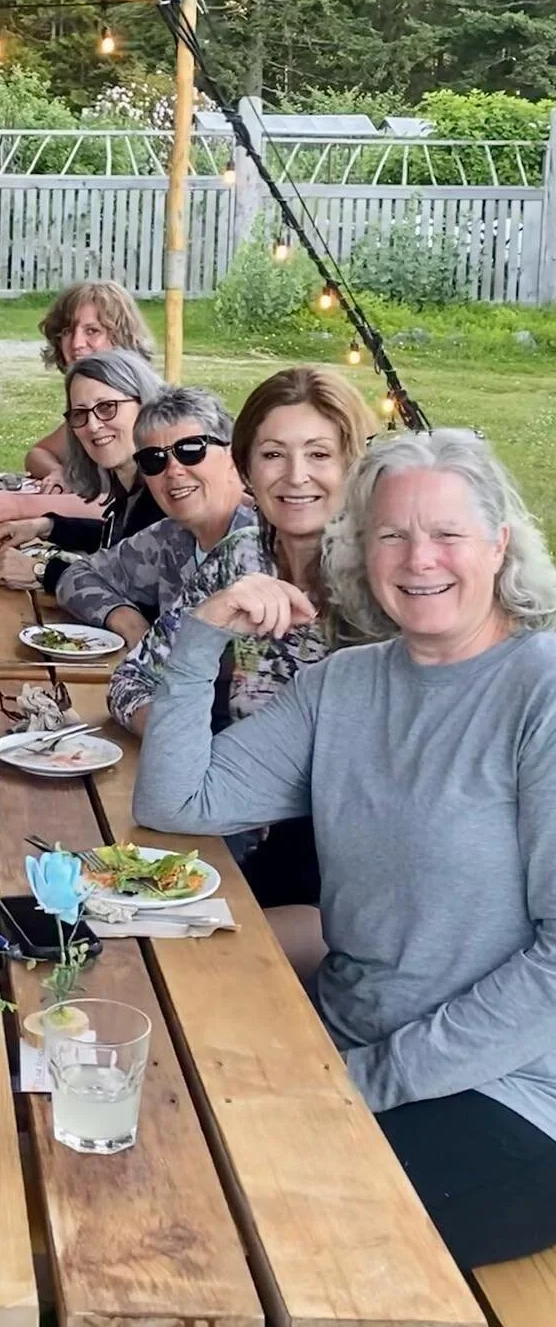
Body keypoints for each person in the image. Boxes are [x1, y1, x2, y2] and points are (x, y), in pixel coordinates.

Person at [134, 429, 556, 1273]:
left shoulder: (538, 691)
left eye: (447, 534)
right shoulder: (345, 685)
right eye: (392, 535)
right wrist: (200, 638)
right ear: (362, 553)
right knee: (153, 1140)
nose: (419, 558)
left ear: (500, 544)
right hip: (349, 1043)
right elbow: (179, 802)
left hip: (508, 1094)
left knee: (230, 1228)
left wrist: (367, 1081)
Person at [108, 368, 375, 946]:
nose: (296, 477)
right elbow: (130, 680)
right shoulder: (242, 555)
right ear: (247, 468)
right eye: (274, 454)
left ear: (353, 464)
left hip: (349, 865)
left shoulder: (385, 579)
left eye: (320, 454)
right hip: (226, 821)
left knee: (163, 950)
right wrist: (189, 743)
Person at [0, 388, 254, 645]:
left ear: (232, 457)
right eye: (154, 459)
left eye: (190, 450)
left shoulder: (270, 546)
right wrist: (129, 622)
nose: (173, 470)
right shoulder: (170, 536)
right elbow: (80, 575)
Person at [0, 349, 164, 550]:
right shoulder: (131, 486)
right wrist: (48, 526)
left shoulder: (165, 493)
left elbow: (129, 575)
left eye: (107, 407)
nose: (92, 425)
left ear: (145, 406)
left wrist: (42, 571)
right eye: (80, 413)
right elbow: (117, 539)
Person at [23, 281, 154, 486]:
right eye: (67, 332)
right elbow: (38, 453)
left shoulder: (142, 405)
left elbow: (114, 505)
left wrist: (22, 508)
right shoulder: (90, 413)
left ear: (121, 336)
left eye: (92, 331)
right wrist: (58, 473)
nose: (76, 344)